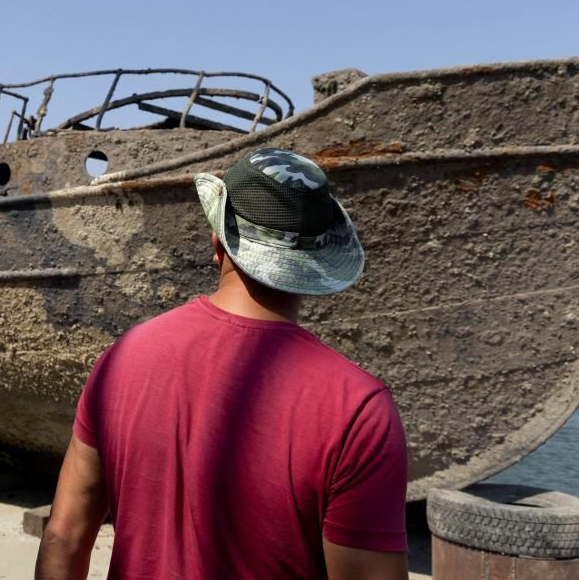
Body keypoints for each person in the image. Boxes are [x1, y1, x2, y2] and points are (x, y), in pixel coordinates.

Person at [35, 149, 408, 580]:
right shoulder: (358, 410)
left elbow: (62, 538)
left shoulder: (121, 359)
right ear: (317, 264)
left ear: (217, 242)